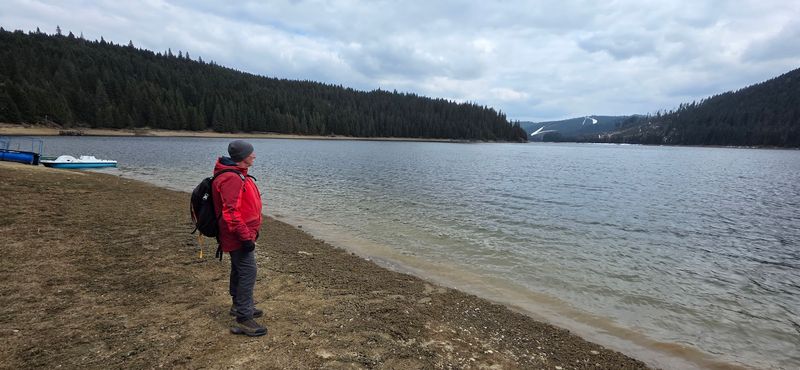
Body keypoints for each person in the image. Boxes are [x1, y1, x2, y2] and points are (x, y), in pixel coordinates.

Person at [212, 140, 266, 337]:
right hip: (237, 235)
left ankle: (238, 306)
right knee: (247, 272)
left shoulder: (237, 174)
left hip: (238, 233)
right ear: (243, 157)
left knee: (239, 269)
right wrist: (245, 238)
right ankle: (244, 319)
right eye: (251, 153)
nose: (254, 156)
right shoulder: (231, 178)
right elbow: (231, 213)